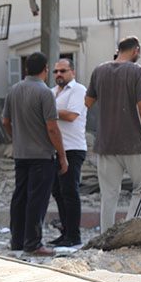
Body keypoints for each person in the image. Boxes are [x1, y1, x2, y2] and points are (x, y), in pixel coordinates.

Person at [85, 36, 141, 232]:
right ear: (136, 50)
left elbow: (87, 103)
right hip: (134, 143)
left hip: (106, 145)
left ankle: (106, 239)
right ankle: (128, 233)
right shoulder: (137, 71)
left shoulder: (99, 71)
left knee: (109, 194)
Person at [1, 52, 67, 256]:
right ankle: (33, 243)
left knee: (19, 197)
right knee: (37, 199)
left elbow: (5, 121)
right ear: (45, 69)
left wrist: (17, 138)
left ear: (26, 68)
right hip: (41, 155)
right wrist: (62, 155)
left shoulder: (14, 90)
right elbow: (52, 128)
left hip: (21, 154)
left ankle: (17, 240)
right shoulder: (45, 92)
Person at [48, 59, 88, 247]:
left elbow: (72, 115)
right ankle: (65, 233)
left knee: (70, 192)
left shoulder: (79, 90)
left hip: (73, 148)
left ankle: (74, 235)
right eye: (56, 71)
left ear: (72, 71)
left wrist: (48, 111)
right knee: (58, 192)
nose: (58, 74)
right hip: (55, 149)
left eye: (63, 71)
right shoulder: (52, 92)